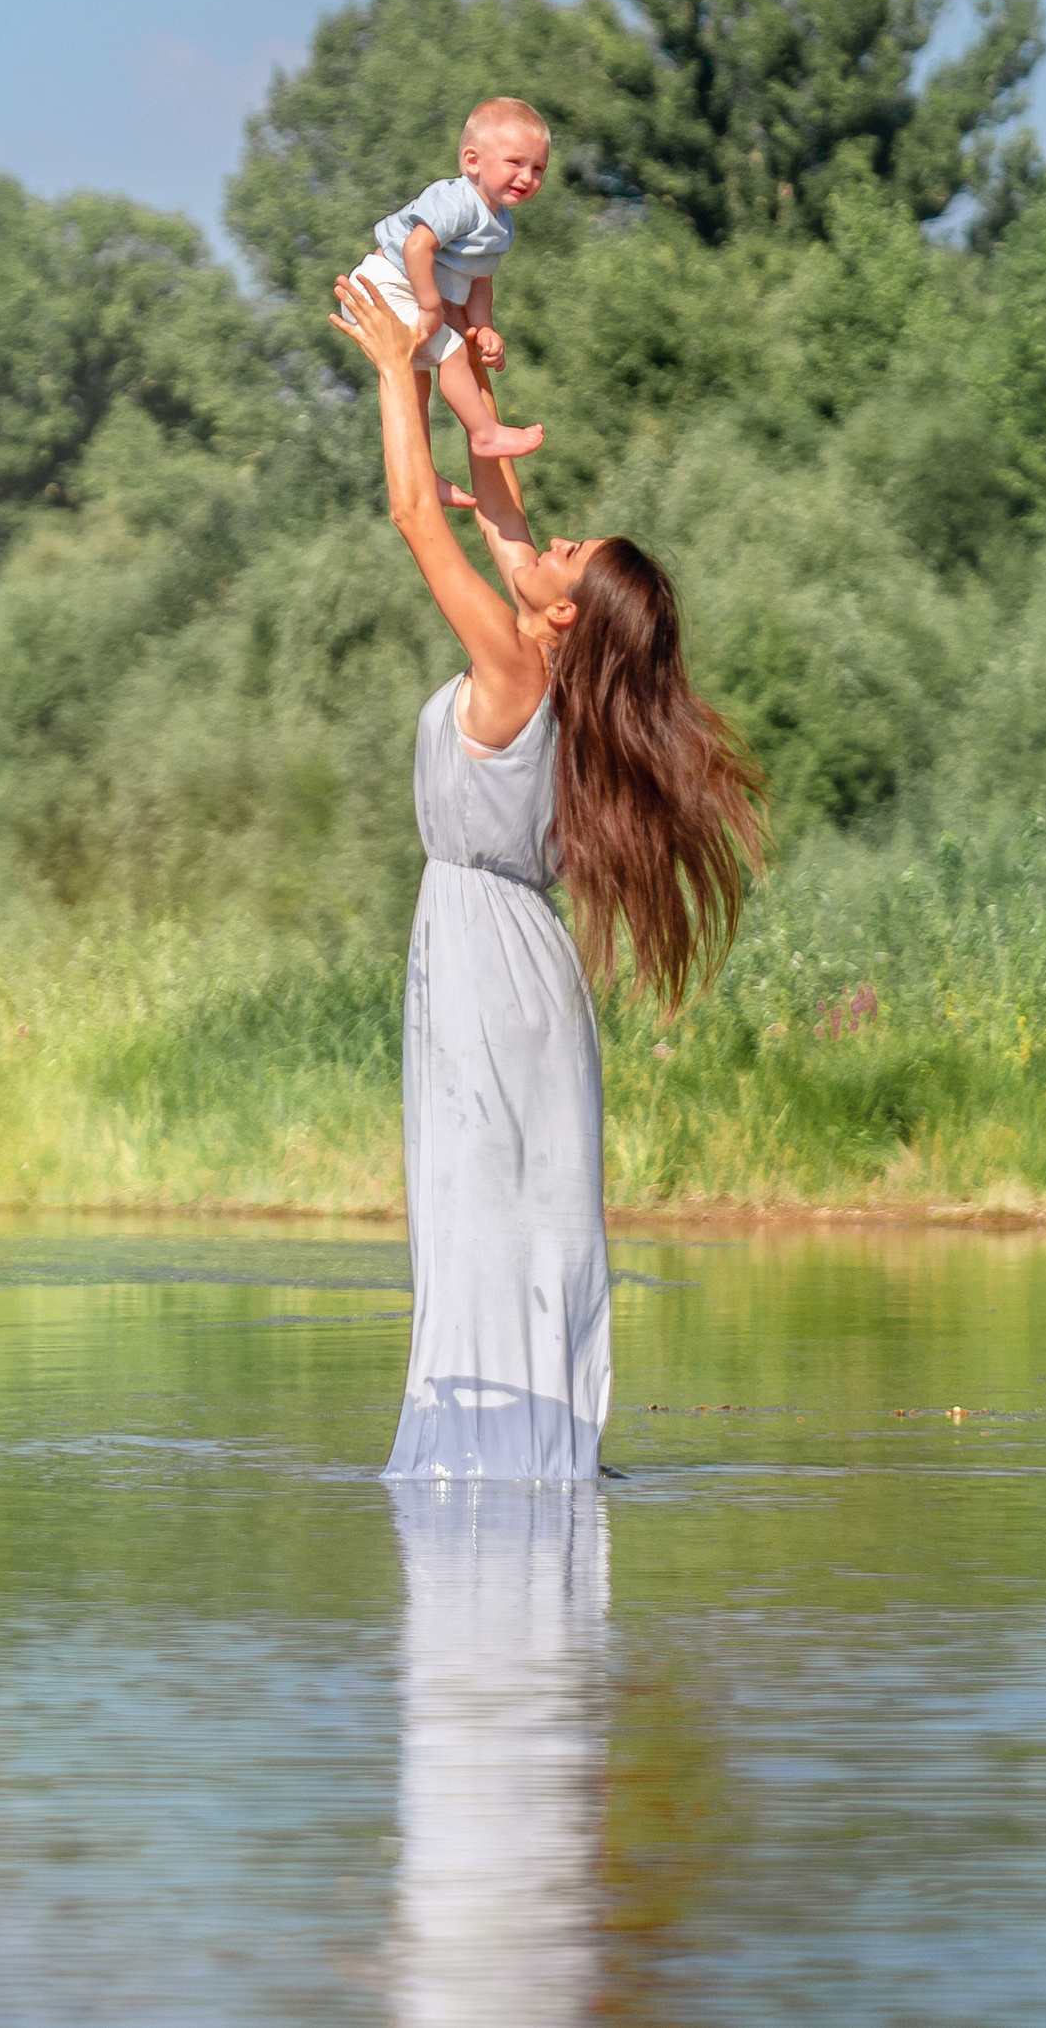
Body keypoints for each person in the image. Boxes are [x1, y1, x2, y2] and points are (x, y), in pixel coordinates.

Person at [330, 267, 765, 1483]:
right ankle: (526, 1452)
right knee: (496, 1206)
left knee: (485, 1205)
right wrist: (454, 370)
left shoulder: (518, 672)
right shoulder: (554, 668)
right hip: (502, 956)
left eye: (565, 555)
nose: (542, 538)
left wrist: (388, 377)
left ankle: (494, 1458)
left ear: (566, 617)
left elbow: (423, 521)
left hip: (485, 960)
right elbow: (495, 511)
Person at [350, 97, 552, 469]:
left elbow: (480, 280)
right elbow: (415, 247)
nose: (527, 177)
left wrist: (485, 326)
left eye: (538, 168)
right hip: (382, 287)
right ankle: (485, 434)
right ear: (473, 161)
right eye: (515, 163)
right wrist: (431, 308)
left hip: (405, 292)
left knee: (418, 384)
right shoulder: (458, 200)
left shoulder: (502, 222)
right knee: (453, 351)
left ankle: (420, 470)